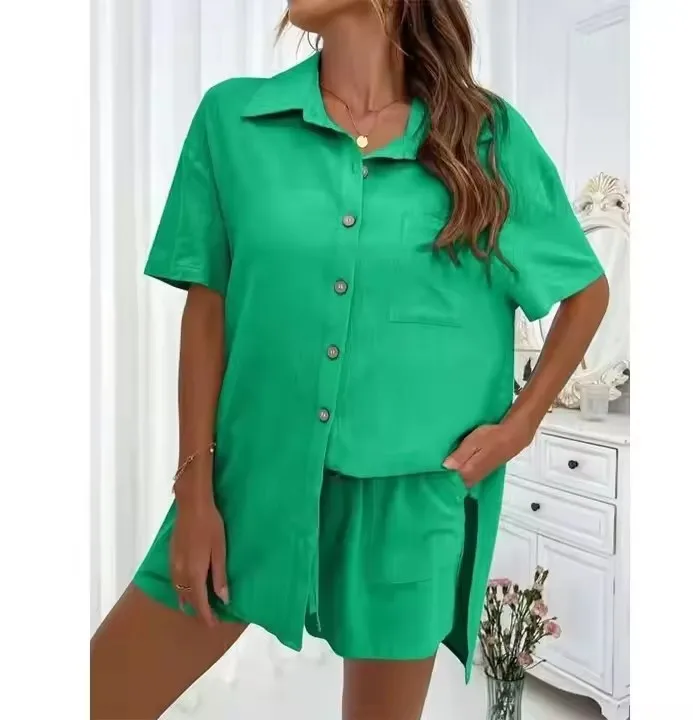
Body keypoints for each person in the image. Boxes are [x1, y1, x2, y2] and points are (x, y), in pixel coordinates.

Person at [90, 1, 609, 718]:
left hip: (412, 504)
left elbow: (585, 291)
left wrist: (520, 426)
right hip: (250, 484)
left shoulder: (485, 138)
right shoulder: (233, 121)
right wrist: (196, 491)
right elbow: (206, 313)